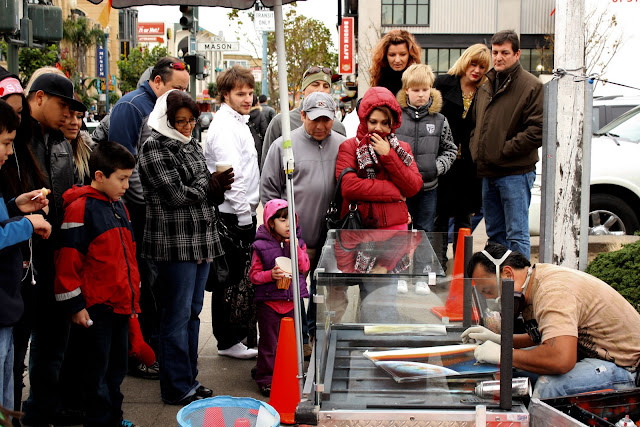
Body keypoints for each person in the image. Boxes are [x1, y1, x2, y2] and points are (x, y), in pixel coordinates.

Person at [139, 89, 229, 405]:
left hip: (201, 241)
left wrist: (212, 187)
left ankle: (189, 378)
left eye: (191, 121)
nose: (188, 127)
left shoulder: (190, 144)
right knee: (175, 317)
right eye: (180, 121)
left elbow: (195, 188)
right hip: (173, 244)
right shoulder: (154, 147)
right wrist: (208, 184)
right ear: (167, 120)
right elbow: (176, 195)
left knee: (192, 314)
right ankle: (176, 385)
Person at [463, 243, 640, 398]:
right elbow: (545, 338)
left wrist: (504, 354)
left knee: (550, 387)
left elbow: (561, 358)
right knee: (515, 372)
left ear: (508, 274)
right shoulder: (533, 282)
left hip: (627, 367)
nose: (490, 299)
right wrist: (498, 340)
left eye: (489, 291)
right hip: (593, 356)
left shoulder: (552, 291)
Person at [109, 57, 190, 378]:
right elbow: (123, 164)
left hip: (160, 213)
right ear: (157, 81)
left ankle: (152, 349)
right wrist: (151, 201)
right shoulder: (131, 106)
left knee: (157, 287)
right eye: (176, 88)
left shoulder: (164, 108)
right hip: (138, 212)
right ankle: (138, 353)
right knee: (143, 284)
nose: (181, 95)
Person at [54, 141, 138, 427]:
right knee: (96, 373)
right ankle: (101, 421)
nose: (126, 186)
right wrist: (76, 306)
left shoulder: (119, 206)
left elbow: (128, 257)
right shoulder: (80, 208)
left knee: (116, 369)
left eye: (128, 178)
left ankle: (114, 418)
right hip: (95, 309)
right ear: (100, 176)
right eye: (122, 179)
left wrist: (132, 299)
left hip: (119, 305)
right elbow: (68, 260)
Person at [22, 72, 87, 426]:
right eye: (63, 106)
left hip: (57, 255)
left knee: (53, 344)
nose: (68, 115)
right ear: (39, 98)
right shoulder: (19, 138)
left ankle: (44, 411)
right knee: (19, 345)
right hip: (23, 256)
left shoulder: (62, 142)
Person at [260, 91, 346, 350]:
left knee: (329, 295)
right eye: (314, 119)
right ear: (303, 116)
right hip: (295, 239)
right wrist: (281, 229)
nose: (320, 126)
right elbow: (269, 190)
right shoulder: (283, 146)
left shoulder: (344, 145)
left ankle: (321, 340)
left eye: (326, 120)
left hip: (333, 239)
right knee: (291, 295)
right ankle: (298, 342)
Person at [0, 68, 48, 419]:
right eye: (5, 142)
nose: (9, 149)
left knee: (9, 378)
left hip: (7, 302)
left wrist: (17, 206)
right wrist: (27, 224)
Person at [469, 31, 543, 260]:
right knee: (495, 235)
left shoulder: (531, 86)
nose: (498, 57)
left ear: (517, 54)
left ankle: (518, 281)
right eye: (495, 52)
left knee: (517, 234)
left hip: (515, 173)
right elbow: (476, 124)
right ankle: (499, 278)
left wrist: (502, 151)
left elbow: (537, 130)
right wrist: (476, 149)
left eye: (504, 52)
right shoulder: (486, 84)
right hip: (488, 172)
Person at [204, 65, 260, 360]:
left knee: (236, 277)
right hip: (232, 214)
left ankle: (233, 337)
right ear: (225, 95)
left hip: (238, 212)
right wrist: (244, 218)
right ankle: (227, 340)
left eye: (250, 93)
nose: (247, 98)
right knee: (228, 279)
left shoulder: (237, 122)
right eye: (240, 93)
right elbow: (232, 178)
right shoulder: (225, 126)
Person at [434, 43, 490, 272]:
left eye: (482, 67)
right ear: (465, 61)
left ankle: (461, 268)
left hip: (469, 165)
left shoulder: (485, 91)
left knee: (464, 218)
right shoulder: (442, 83)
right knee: (439, 216)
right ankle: (437, 266)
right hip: (443, 162)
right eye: (473, 64)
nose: (476, 70)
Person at [336, 86, 423, 230]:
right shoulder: (350, 147)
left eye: (384, 123)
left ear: (393, 123)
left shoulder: (402, 149)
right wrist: (395, 192)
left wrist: (388, 155)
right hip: (360, 226)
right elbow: (348, 187)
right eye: (373, 122)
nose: (378, 128)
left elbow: (413, 187)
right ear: (364, 120)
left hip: (396, 227)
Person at [249, 199, 310, 397]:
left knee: (291, 343)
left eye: (291, 220)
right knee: (269, 343)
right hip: (269, 303)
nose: (288, 225)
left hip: (292, 302)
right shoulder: (260, 246)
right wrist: (270, 275)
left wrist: (295, 248)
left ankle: (290, 373)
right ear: (271, 222)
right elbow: (254, 276)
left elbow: (304, 267)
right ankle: (265, 378)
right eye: (283, 220)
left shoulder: (299, 243)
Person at [395, 63, 456, 235]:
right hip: (401, 189)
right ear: (406, 90)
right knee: (401, 231)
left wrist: (436, 167)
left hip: (428, 188)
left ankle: (423, 255)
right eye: (416, 90)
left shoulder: (440, 120)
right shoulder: (396, 118)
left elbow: (450, 150)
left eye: (425, 89)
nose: (421, 94)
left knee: (425, 233)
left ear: (431, 89)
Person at [261, 66, 346, 169]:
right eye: (315, 85)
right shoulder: (281, 122)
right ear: (303, 90)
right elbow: (267, 167)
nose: (321, 90)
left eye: (326, 86)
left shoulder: (337, 127)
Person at [369, 29, 422, 96]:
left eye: (402, 54)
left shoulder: (419, 78)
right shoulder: (378, 77)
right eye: (392, 55)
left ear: (410, 55)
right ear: (385, 56)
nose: (397, 60)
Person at [60, 101, 93, 184]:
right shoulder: (43, 150)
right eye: (69, 116)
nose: (75, 122)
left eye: (79, 116)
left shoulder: (88, 151)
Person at [248, 94, 268, 167]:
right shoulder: (259, 114)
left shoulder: (242, 114)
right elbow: (264, 131)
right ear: (257, 102)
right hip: (258, 144)